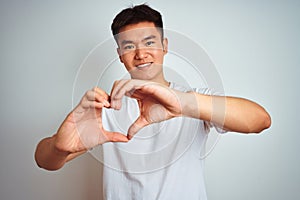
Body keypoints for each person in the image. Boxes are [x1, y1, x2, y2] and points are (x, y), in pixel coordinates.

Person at [35, 4, 271, 200]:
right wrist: (58, 146)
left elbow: (260, 120)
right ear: (119, 54)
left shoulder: (194, 98)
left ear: (164, 46)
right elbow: (44, 161)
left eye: (149, 42)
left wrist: (183, 105)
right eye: (129, 46)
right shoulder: (105, 108)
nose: (140, 54)